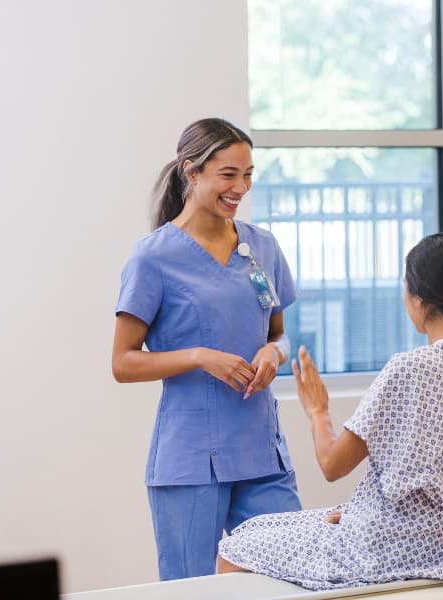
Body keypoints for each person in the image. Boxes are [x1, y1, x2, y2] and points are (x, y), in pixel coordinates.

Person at [216, 232, 443, 590]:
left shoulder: (411, 369)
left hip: (396, 548)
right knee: (282, 524)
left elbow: (333, 464)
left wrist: (318, 411)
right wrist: (355, 514)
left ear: (419, 297)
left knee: (237, 546)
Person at [111, 117, 301, 580]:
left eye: (248, 175)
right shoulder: (153, 257)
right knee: (189, 590)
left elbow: (280, 334)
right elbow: (123, 362)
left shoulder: (262, 247)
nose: (241, 188)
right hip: (191, 458)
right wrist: (199, 356)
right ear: (191, 172)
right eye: (229, 175)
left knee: (290, 578)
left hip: (262, 449)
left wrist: (274, 355)